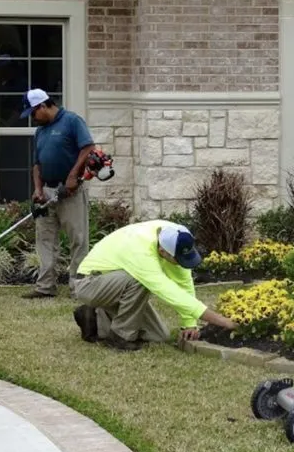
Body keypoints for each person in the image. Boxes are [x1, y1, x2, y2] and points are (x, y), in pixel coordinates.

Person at [71, 220, 239, 351]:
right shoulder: (142, 252)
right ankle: (120, 337)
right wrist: (222, 321)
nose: (181, 264)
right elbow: (172, 294)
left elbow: (184, 282)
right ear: (162, 252)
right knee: (138, 280)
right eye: (177, 260)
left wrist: (189, 323)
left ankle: (94, 318)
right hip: (89, 283)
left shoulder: (176, 234)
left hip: (115, 285)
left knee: (160, 336)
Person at [19, 88, 93, 299]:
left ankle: (78, 287)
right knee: (45, 239)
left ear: (43, 106)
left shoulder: (71, 121)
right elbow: (37, 164)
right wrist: (38, 189)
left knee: (78, 239)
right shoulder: (40, 132)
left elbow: (88, 148)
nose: (32, 119)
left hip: (71, 192)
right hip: (48, 191)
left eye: (33, 113)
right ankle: (45, 286)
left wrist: (72, 176)